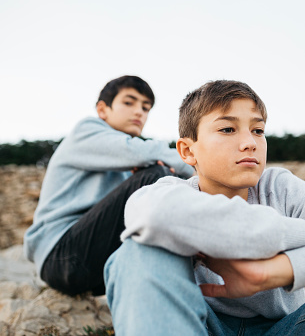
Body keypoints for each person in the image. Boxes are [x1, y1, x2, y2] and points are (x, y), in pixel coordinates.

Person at [104, 80, 305, 335]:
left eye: (258, 130)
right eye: (228, 129)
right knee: (135, 252)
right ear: (188, 152)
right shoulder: (169, 193)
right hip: (197, 326)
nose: (249, 141)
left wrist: (275, 271)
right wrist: (303, 231)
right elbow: (153, 215)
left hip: (287, 329)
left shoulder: (280, 188)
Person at [23, 75, 194, 296]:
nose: (139, 112)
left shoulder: (128, 163)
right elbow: (144, 151)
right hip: (60, 256)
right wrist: (200, 167)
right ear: (103, 109)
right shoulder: (86, 132)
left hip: (89, 260)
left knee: (162, 179)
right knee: (156, 176)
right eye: (129, 102)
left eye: (146, 107)